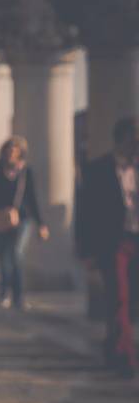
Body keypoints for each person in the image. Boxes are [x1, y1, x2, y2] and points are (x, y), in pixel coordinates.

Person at [78, 116, 139, 378]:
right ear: (124, 139)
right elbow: (86, 213)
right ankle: (126, 356)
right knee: (119, 298)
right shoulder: (97, 169)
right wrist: (87, 251)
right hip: (114, 242)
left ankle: (113, 346)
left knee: (129, 300)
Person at [0, 137, 49, 311]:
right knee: (4, 257)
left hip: (22, 219)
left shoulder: (26, 172)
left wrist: (41, 224)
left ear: (20, 152)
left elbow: (32, 199)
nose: (11, 153)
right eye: (9, 149)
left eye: (15, 150)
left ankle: (18, 296)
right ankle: (4, 293)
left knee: (17, 254)